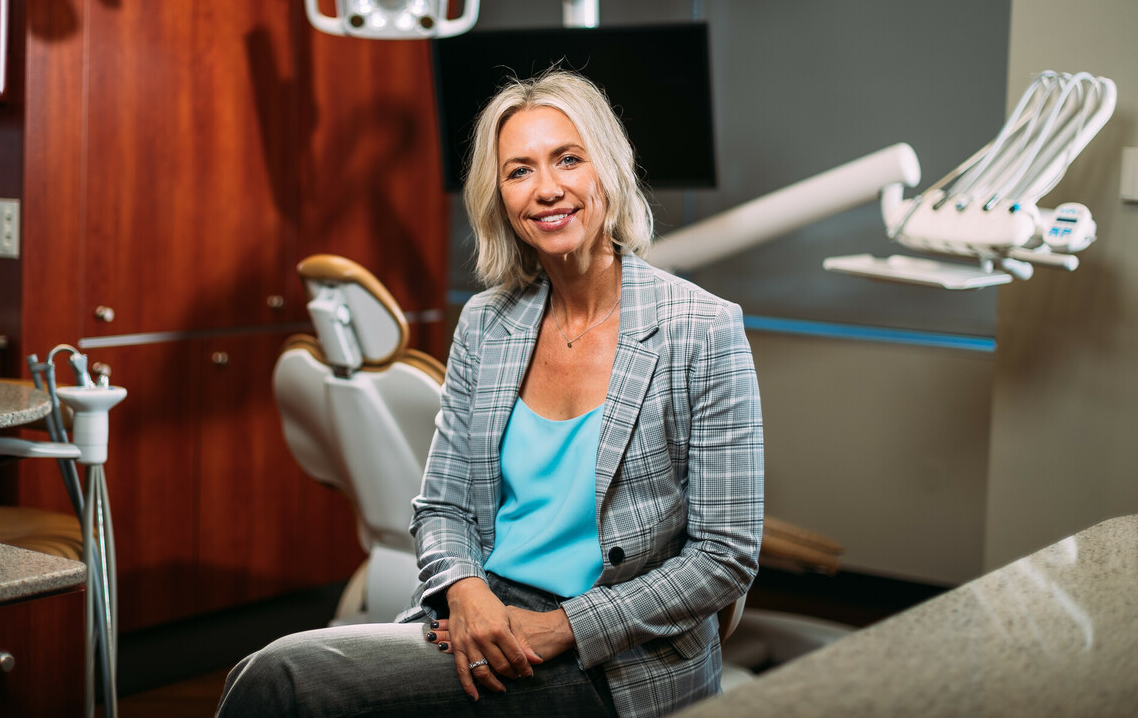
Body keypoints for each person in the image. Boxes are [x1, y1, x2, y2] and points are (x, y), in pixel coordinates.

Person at [216, 69, 763, 718]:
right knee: (275, 675)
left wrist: (561, 628)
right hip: (484, 611)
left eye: (567, 159)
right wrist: (467, 592)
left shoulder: (701, 329)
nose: (548, 189)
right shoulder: (487, 321)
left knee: (283, 683)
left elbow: (725, 558)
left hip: (611, 659)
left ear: (608, 173)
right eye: (519, 171)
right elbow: (442, 504)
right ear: (499, 197)